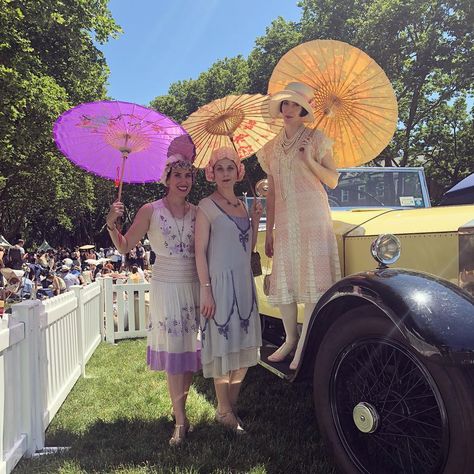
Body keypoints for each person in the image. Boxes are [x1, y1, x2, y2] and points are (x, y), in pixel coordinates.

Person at [105, 151, 201, 446]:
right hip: (166, 286)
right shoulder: (150, 210)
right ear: (167, 179)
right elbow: (124, 246)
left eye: (188, 176)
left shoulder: (199, 212)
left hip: (193, 285)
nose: (183, 181)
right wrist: (112, 223)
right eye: (178, 176)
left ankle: (180, 411)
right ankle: (181, 422)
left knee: (188, 353)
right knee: (174, 356)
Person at [257, 82, 341, 370]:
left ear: (304, 110)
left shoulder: (317, 139)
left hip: (314, 215)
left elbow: (333, 180)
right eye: (285, 104)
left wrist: (309, 160)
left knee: (312, 278)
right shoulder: (270, 149)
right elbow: (271, 190)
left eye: (295, 105)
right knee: (286, 278)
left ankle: (305, 340)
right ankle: (290, 338)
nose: (289, 109)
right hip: (286, 219)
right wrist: (269, 230)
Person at [195, 147, 263, 433]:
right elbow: (199, 252)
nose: (225, 173)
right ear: (213, 173)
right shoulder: (206, 206)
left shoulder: (245, 205)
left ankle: (228, 407)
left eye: (230, 168)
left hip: (244, 284)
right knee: (223, 349)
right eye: (219, 168)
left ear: (238, 172)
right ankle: (224, 409)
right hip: (219, 286)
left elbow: (248, 248)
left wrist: (256, 221)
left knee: (244, 348)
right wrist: (206, 290)